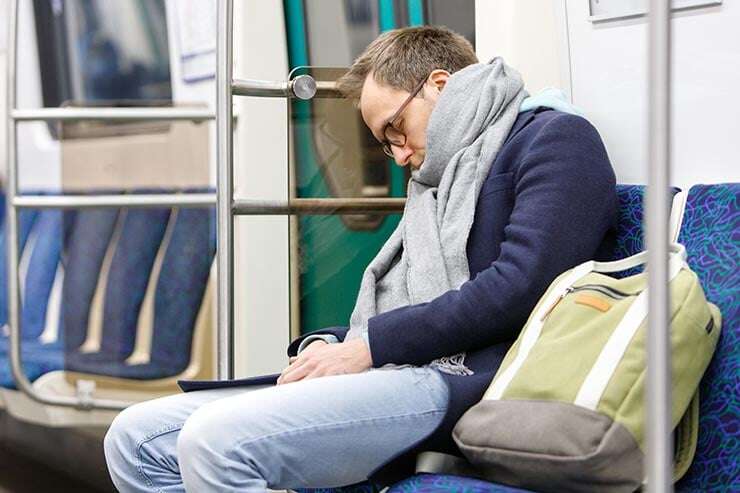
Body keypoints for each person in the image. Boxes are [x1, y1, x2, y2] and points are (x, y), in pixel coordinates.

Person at [104, 26, 617, 492]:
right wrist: (333, 342)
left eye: (395, 128)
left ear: (440, 83)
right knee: (135, 438)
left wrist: (368, 347)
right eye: (383, 143)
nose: (397, 155)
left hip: (474, 374)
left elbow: (524, 284)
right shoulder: (436, 182)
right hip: (403, 364)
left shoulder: (554, 140)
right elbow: (410, 296)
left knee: (216, 442)